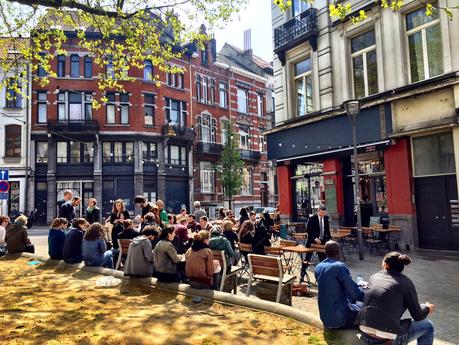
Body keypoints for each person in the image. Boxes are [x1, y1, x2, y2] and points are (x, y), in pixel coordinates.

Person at [357, 252, 435, 345]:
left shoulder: (374, 277)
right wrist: (427, 308)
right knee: (428, 325)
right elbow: (417, 315)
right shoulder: (406, 283)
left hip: (365, 334)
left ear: (386, 265)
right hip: (386, 339)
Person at [314, 241, 364, 329]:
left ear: (325, 252)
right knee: (367, 311)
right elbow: (355, 293)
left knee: (352, 301)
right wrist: (369, 297)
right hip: (340, 319)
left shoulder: (318, 267)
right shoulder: (339, 266)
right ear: (338, 252)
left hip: (325, 318)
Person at [301, 204, 332, 282]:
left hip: (322, 242)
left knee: (322, 260)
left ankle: (321, 277)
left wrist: (329, 240)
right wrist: (315, 238)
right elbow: (308, 230)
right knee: (307, 259)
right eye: (321, 213)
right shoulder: (312, 219)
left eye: (324, 213)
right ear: (318, 211)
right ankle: (302, 274)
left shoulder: (325, 218)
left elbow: (327, 231)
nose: (322, 215)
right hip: (312, 242)